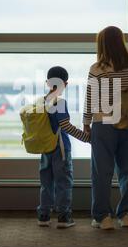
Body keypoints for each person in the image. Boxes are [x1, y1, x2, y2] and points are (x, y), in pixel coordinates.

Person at [83, 26, 128, 230]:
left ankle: (102, 217)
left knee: (101, 172)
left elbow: (90, 97)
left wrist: (86, 122)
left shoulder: (97, 68)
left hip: (103, 122)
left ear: (102, 44)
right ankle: (126, 214)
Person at [37, 66, 90, 228]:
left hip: (45, 148)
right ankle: (63, 217)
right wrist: (85, 138)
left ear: (47, 83)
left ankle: (44, 216)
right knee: (63, 182)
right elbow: (65, 126)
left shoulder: (41, 102)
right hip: (60, 149)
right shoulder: (59, 102)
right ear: (65, 84)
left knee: (46, 183)